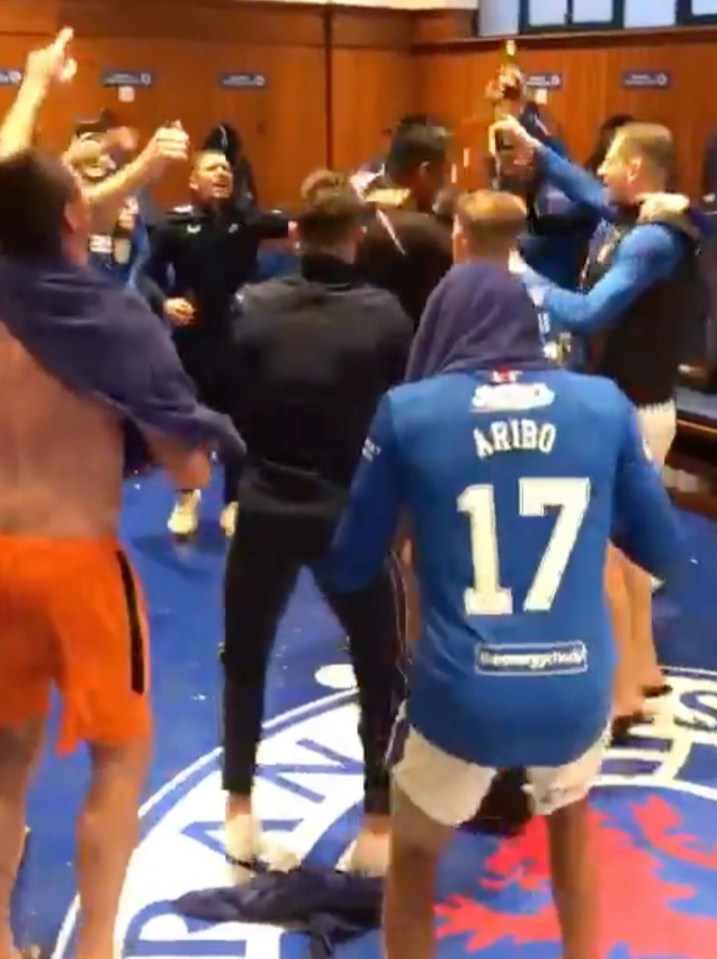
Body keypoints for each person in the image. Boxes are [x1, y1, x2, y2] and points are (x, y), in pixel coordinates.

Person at [323, 195, 684, 959]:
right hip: (574, 684)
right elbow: (663, 548)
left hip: (463, 688)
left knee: (415, 856)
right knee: (572, 833)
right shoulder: (601, 405)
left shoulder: (411, 412)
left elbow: (352, 562)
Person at [0, 141, 246, 959]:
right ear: (76, 217)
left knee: (5, 760)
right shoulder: (109, 320)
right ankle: (96, 945)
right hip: (76, 559)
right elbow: (185, 460)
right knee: (119, 754)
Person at [221, 170, 412, 878]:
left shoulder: (252, 307)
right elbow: (402, 416)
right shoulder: (388, 317)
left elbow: (229, 402)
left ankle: (237, 811)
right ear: (358, 238)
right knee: (380, 667)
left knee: (244, 657)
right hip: (350, 511)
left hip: (267, 500)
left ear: (294, 236)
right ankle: (377, 823)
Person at [496, 114, 705, 734]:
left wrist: (520, 274)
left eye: (610, 161)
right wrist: (538, 149)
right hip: (635, 406)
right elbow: (587, 189)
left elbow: (588, 314)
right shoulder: (638, 218)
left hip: (633, 412)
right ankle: (643, 673)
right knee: (630, 559)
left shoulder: (651, 240)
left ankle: (617, 698)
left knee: (607, 559)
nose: (601, 172)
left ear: (636, 170)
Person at [144, 149, 290, 538]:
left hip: (240, 339)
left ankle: (233, 502)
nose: (222, 173)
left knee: (240, 426)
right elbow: (146, 277)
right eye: (212, 168)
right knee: (187, 423)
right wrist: (165, 302)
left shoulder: (249, 221)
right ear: (194, 180)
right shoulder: (173, 225)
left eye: (227, 168)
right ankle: (187, 499)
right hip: (193, 340)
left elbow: (296, 225)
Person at [358, 118, 453, 327]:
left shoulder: (349, 199)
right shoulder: (428, 232)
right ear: (425, 172)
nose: (447, 183)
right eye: (445, 172)